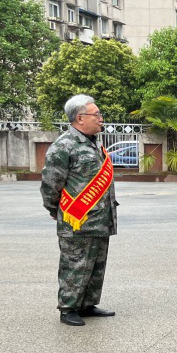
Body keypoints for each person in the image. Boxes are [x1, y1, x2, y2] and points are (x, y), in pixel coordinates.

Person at [40, 94, 118, 326]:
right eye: (97, 115)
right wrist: (55, 209)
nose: (101, 119)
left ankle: (87, 304)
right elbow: (51, 183)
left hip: (101, 219)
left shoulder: (96, 143)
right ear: (80, 118)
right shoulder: (63, 146)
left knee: (96, 264)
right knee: (74, 265)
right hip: (77, 219)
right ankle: (68, 308)